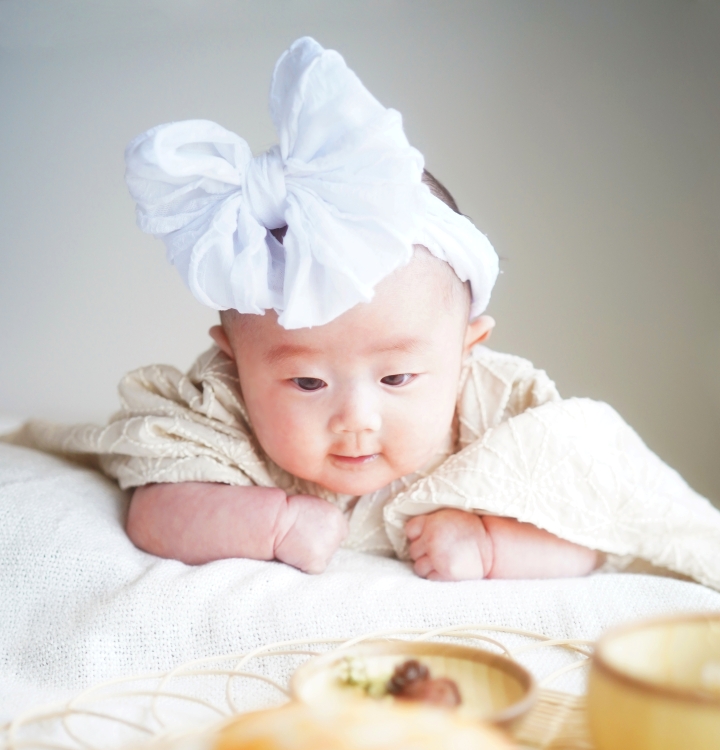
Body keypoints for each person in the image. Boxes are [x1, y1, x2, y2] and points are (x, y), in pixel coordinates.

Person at [10, 37, 720, 592]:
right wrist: (276, 521)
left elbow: (592, 530)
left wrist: (490, 543)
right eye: (308, 384)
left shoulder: (498, 408)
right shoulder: (219, 409)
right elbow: (154, 511)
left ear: (466, 351)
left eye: (400, 378)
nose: (356, 419)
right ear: (234, 359)